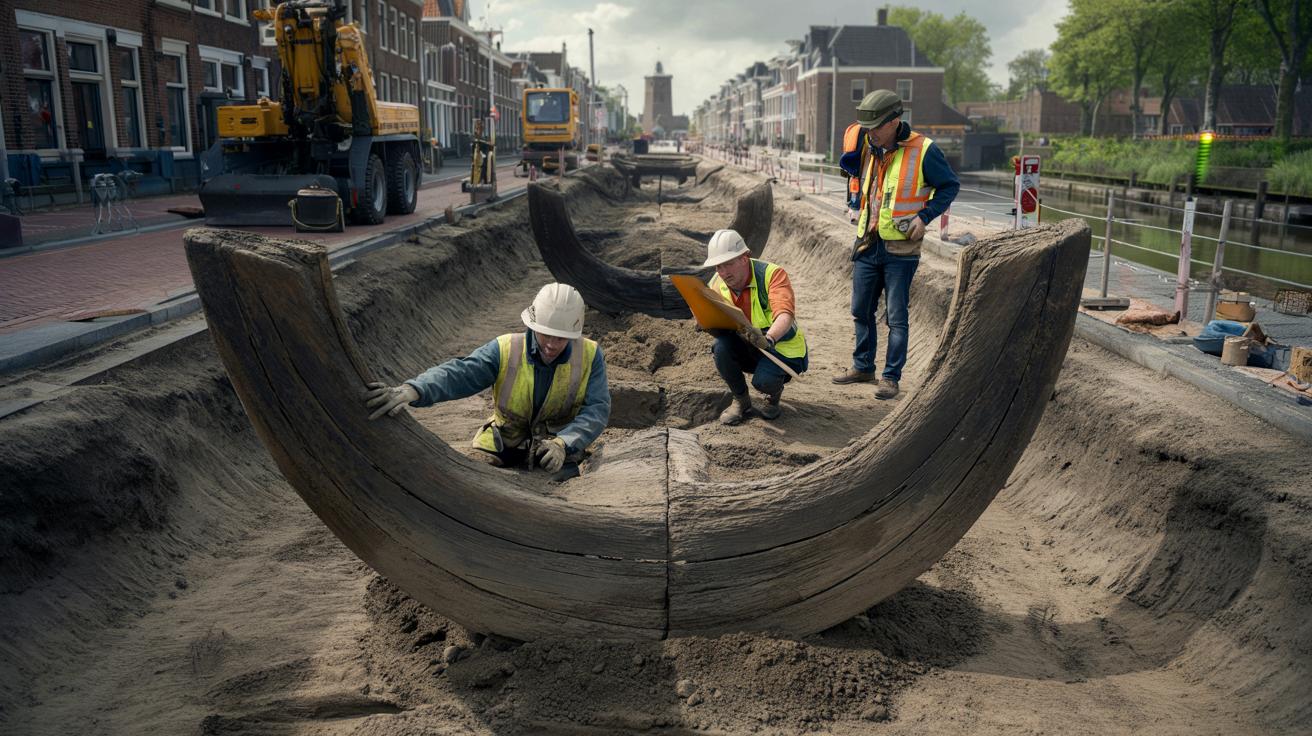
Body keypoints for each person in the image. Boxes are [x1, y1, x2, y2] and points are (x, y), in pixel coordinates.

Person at [362, 283, 610, 480]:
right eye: (546, 334)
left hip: (554, 450)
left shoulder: (590, 355)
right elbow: (461, 373)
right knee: (462, 477)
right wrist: (415, 389)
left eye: (560, 338)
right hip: (504, 441)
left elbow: (597, 410)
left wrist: (563, 444)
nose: (551, 345)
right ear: (533, 325)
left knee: (564, 488)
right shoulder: (506, 349)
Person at [832, 89, 959, 399]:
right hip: (867, 241)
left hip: (901, 248)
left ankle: (890, 377)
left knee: (896, 316)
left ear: (895, 121)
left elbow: (949, 186)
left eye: (876, 126)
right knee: (860, 309)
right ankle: (863, 367)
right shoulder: (867, 145)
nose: (871, 132)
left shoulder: (924, 150)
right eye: (867, 127)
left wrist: (924, 217)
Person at [702, 229, 808, 425]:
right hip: (749, 345)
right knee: (720, 347)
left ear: (744, 258)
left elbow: (785, 314)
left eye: (728, 264)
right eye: (718, 267)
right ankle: (741, 400)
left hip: (781, 348)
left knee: (764, 382)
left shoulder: (772, 275)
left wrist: (769, 338)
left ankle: (773, 395)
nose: (723, 273)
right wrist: (705, 322)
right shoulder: (717, 281)